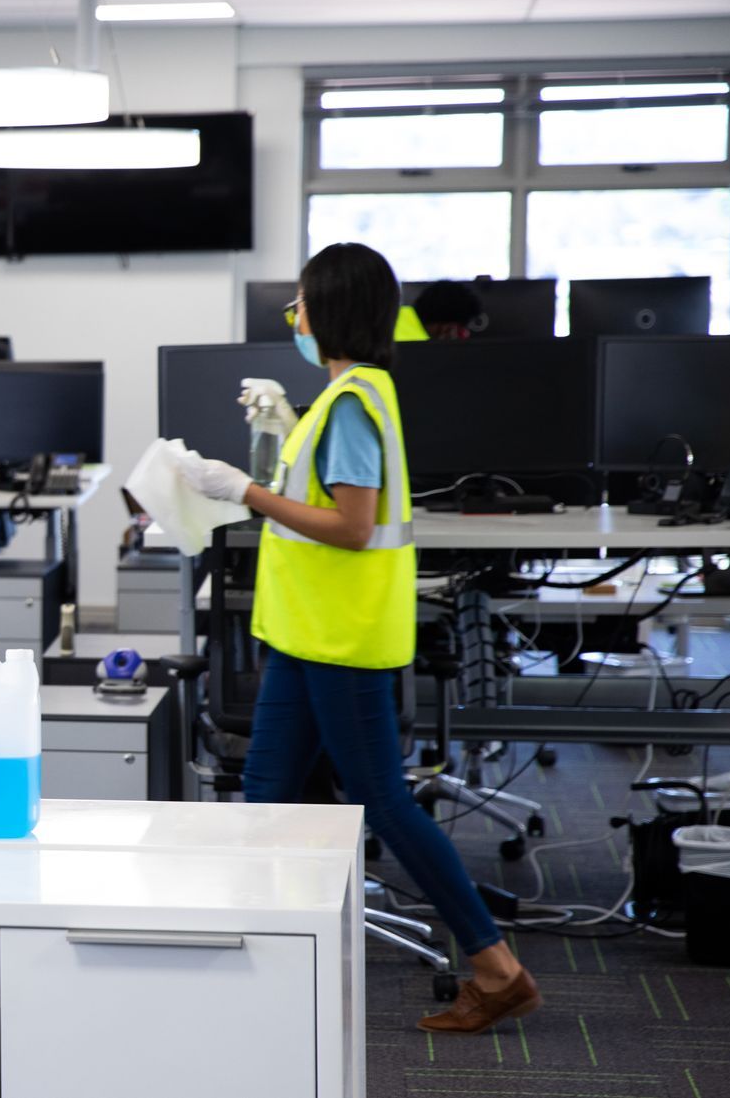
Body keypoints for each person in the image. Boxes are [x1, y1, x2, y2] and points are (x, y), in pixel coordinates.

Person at [181, 243, 540, 1034]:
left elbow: (349, 525)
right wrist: (281, 432)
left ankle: (495, 964)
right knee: (266, 796)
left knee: (383, 800)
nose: (295, 318)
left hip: (339, 640)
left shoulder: (351, 405)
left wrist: (241, 490)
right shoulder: (346, 398)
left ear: (330, 311)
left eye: (300, 304)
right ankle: (258, 968)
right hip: (308, 636)